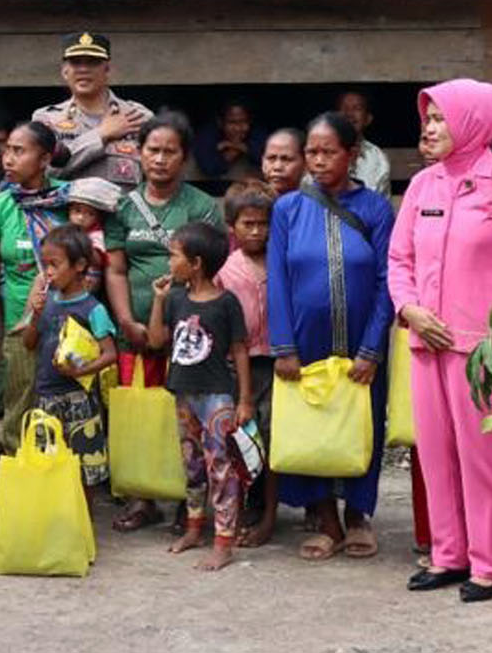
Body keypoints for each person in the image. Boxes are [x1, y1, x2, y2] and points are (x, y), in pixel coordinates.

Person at [392, 79, 492, 603]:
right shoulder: (422, 186)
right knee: (435, 455)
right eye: (427, 119)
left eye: (440, 119)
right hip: (425, 343)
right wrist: (409, 308)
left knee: (482, 458)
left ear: (474, 121)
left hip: (484, 349)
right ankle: (447, 554)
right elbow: (399, 261)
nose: (428, 129)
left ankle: (487, 563)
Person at [266, 113, 396, 562]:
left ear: (352, 155)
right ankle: (325, 519)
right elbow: (278, 282)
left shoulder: (376, 209)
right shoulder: (287, 209)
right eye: (312, 153)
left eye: (328, 152)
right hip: (305, 338)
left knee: (365, 422)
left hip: (362, 336)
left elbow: (387, 280)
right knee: (312, 425)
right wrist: (283, 347)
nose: (318, 161)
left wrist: (373, 347)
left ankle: (358, 514)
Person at [104, 112, 221, 531]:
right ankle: (142, 498)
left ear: (185, 158)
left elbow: (209, 273)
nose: (160, 159)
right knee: (139, 414)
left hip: (189, 334)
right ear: (138, 154)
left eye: (170, 151)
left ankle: (187, 503)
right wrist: (125, 320)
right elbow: (115, 270)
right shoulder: (122, 207)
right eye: (152, 149)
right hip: (134, 331)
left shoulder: (201, 207)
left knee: (186, 418)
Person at [144, 221, 252, 571]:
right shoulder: (174, 298)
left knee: (220, 467)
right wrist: (159, 301)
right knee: (191, 464)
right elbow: (156, 341)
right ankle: (194, 528)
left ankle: (224, 541)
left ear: (196, 264)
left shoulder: (226, 303)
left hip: (217, 396)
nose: (168, 261)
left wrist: (244, 400)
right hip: (183, 393)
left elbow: (239, 351)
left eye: (174, 255)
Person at [0, 120, 70, 454]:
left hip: (69, 323)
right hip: (20, 323)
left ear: (44, 159)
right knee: (19, 404)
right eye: (7, 150)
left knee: (66, 403)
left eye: (19, 151)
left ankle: (65, 479)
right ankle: (19, 471)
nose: (8, 158)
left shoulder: (68, 201)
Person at [21, 224, 117, 495]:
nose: (48, 272)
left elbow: (110, 354)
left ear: (79, 265)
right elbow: (29, 344)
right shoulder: (47, 302)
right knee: (47, 464)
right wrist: (35, 317)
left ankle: (83, 527)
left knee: (84, 469)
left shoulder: (93, 308)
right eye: (45, 264)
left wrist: (82, 370)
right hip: (46, 396)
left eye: (55, 264)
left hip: (80, 398)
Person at [216, 183, 277, 547]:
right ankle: (236, 511)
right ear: (232, 228)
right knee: (238, 441)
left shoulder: (279, 262)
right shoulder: (225, 270)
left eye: (263, 224)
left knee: (272, 442)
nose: (256, 231)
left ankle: (269, 515)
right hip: (235, 366)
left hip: (276, 363)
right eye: (248, 224)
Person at [31, 32, 152, 189]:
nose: (83, 69)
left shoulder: (138, 117)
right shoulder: (46, 119)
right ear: (64, 71)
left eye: (92, 63)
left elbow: (156, 180)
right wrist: (100, 135)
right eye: (76, 63)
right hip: (67, 212)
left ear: (107, 69)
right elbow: (41, 173)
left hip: (124, 211)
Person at [63, 177, 119, 298]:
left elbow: (98, 260)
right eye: (77, 211)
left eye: (90, 214)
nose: (81, 217)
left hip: (88, 280)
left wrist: (82, 245)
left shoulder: (95, 234)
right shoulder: (65, 230)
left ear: (98, 218)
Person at [337, 91, 393, 197]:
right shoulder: (322, 151)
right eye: (344, 108)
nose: (349, 114)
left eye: (357, 108)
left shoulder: (377, 158)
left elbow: (381, 203)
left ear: (368, 119)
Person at [193, 101, 263, 182]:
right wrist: (228, 156)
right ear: (220, 122)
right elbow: (209, 168)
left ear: (250, 121)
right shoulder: (207, 134)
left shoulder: (257, 131)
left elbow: (264, 157)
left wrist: (238, 147)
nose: (238, 129)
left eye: (243, 122)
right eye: (232, 122)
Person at [260, 128, 307, 198]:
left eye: (286, 160)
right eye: (271, 158)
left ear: (306, 164)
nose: (277, 167)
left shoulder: (316, 203)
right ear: (262, 161)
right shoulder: (248, 201)